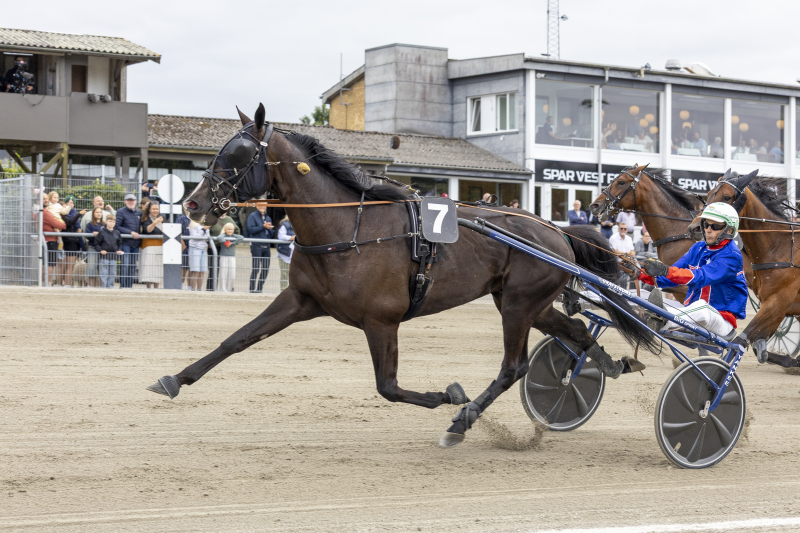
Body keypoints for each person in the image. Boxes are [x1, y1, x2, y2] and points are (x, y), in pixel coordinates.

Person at [639, 203, 748, 344]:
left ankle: (662, 319)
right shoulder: (697, 248)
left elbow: (700, 277)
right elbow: (667, 278)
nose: (708, 230)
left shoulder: (732, 255)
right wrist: (639, 273)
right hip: (690, 314)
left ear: (730, 230)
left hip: (721, 321)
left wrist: (666, 270)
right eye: (706, 224)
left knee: (702, 307)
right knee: (641, 295)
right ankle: (650, 316)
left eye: (715, 226)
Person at [116, 193, 142, 288]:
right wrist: (130, 232)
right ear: (125, 201)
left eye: (132, 200)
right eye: (129, 200)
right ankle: (123, 286)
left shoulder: (139, 213)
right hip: (125, 243)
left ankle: (129, 286)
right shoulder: (120, 212)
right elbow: (117, 226)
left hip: (135, 244)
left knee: (132, 266)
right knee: (125, 265)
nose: (131, 202)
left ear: (136, 202)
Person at [246, 204, 274, 293]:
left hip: (266, 245)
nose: (263, 207)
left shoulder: (268, 217)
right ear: (257, 206)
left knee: (265, 269)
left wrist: (269, 228)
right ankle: (251, 290)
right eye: (261, 205)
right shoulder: (252, 216)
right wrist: (263, 226)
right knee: (256, 268)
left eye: (264, 205)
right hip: (256, 245)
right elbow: (250, 229)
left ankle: (259, 289)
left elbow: (272, 234)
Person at [40, 192, 66, 285]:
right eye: (44, 198)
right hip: (50, 240)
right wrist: (63, 224)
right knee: (50, 263)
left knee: (44, 262)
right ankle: (48, 283)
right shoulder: (45, 212)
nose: (46, 200)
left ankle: (44, 282)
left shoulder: (41, 210)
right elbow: (60, 225)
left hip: (45, 239)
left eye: (47, 198)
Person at [139, 201, 164, 289]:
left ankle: (156, 288)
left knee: (158, 268)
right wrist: (155, 222)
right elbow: (148, 230)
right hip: (148, 247)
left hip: (160, 246)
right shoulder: (146, 219)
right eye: (153, 209)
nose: (155, 211)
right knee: (148, 268)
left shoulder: (162, 218)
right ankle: (148, 287)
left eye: (157, 209)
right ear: (149, 210)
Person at [94, 215, 123, 288]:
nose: (111, 223)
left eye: (113, 222)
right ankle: (104, 287)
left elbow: (120, 243)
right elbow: (96, 243)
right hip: (104, 256)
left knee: (112, 273)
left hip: (114, 256)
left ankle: (110, 287)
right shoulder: (102, 232)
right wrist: (100, 250)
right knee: (103, 273)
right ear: (106, 222)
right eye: (110, 221)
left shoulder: (117, 232)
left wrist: (119, 250)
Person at [59, 196, 82, 287]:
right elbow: (70, 222)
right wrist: (79, 214)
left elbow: (77, 226)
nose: (70, 204)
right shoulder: (64, 215)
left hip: (68, 240)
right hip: (69, 240)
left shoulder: (71, 213)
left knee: (66, 264)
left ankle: (61, 284)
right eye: (68, 202)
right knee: (68, 265)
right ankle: (65, 284)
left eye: (72, 202)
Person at [214, 223, 244, 292]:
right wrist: (226, 243)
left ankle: (229, 288)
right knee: (223, 273)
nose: (230, 230)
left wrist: (232, 243)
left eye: (231, 229)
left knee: (232, 273)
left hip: (232, 256)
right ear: (225, 229)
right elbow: (219, 237)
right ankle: (223, 289)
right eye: (228, 229)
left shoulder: (234, 236)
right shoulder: (223, 235)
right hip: (224, 256)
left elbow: (241, 237)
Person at [84, 207, 106, 287]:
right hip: (93, 248)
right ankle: (91, 286)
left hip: (102, 249)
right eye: (97, 212)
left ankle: (102, 286)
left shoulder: (105, 225)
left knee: (102, 269)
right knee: (91, 268)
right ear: (93, 214)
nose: (99, 214)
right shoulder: (90, 224)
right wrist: (92, 234)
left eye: (100, 212)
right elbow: (87, 236)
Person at [609, 222, 635, 289]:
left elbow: (632, 251)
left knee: (638, 272)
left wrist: (631, 254)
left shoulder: (629, 238)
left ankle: (633, 292)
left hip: (628, 262)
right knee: (623, 279)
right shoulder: (613, 238)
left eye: (625, 229)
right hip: (618, 262)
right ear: (618, 229)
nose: (623, 230)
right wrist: (627, 253)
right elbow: (615, 251)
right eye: (621, 228)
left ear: (627, 230)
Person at [187, 221, 210, 291]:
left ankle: (199, 289)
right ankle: (193, 289)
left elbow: (207, 237)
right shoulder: (193, 225)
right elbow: (195, 237)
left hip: (203, 248)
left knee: (202, 271)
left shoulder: (206, 225)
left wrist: (203, 231)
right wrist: (203, 230)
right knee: (195, 270)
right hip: (195, 248)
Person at [276, 216, 295, 291]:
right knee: (284, 273)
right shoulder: (285, 224)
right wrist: (291, 238)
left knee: (295, 274)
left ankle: (293, 292)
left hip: (295, 254)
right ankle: (283, 290)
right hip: (285, 253)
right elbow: (281, 236)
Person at [177, 207, 192, 290]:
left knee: (191, 268)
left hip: (193, 246)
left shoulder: (196, 218)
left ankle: (190, 287)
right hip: (184, 245)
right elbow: (178, 232)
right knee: (183, 267)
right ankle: (180, 286)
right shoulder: (181, 219)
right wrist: (183, 245)